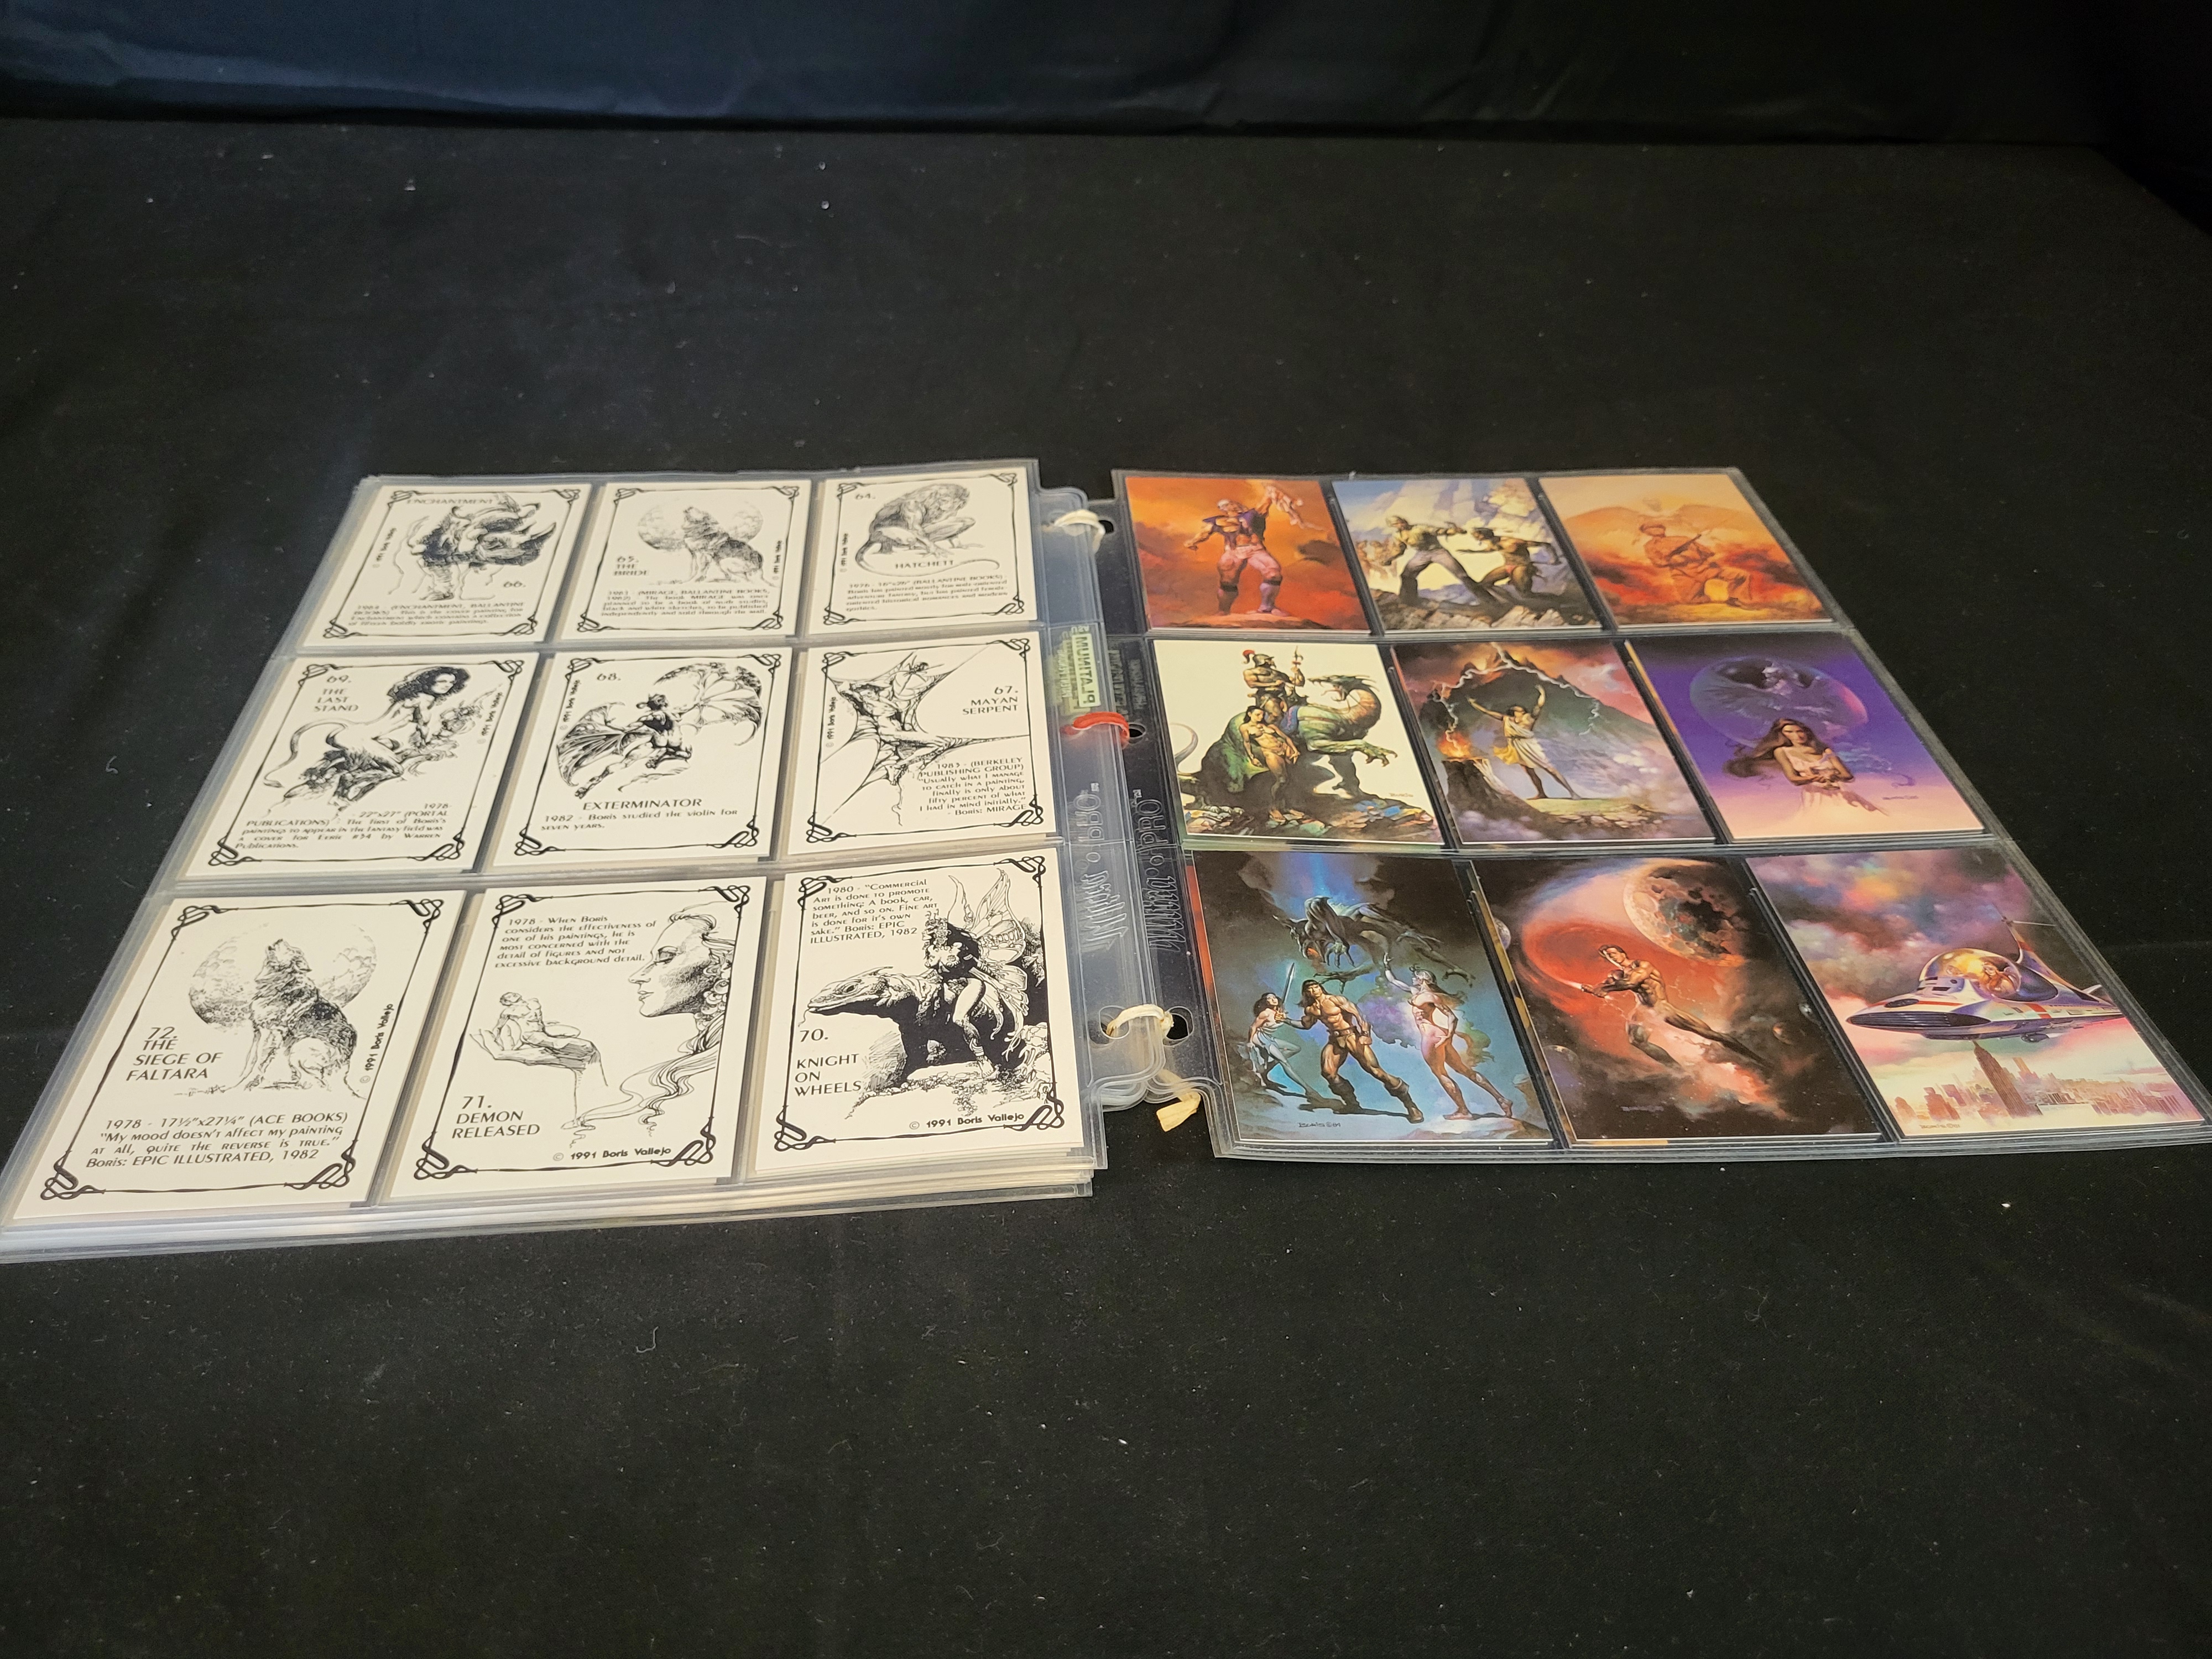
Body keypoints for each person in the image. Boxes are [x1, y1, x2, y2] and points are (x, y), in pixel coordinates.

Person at [1575, 945, 1768, 1074]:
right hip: (1643, 1010)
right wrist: (1595, 988)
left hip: (1661, 1007)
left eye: (1613, 953)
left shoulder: (1641, 965)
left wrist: (1605, 989)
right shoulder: (1617, 974)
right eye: (1607, 956)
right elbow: (1607, 984)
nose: (1611, 957)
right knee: (1636, 1040)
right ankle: (1679, 1071)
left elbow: (1631, 982)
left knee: (1709, 1034)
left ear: (1622, 953)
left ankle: (1757, 1059)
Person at [1292, 979, 1422, 1121]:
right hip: (1335, 1040)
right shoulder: (1311, 1009)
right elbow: (1306, 1025)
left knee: (1376, 1071)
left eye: (1316, 987)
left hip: (1352, 1036)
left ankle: (1411, 1106)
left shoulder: (1336, 1000)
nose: (1314, 991)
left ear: (1320, 987)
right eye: (1310, 989)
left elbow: (1359, 1015)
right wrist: (1285, 1020)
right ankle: (1352, 1104)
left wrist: (1365, 1034)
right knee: (1328, 1073)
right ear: (1307, 993)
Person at [1403, 969, 1513, 1119]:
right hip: (1439, 1034)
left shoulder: (1430, 996)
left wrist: (1449, 1036)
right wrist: (1387, 967)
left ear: (1422, 979)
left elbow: (1452, 1018)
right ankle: (1502, 1100)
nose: (1413, 978)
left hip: (1431, 1037)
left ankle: (1464, 1111)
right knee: (1464, 1069)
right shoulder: (1419, 994)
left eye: (1416, 976)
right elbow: (1395, 982)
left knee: (1441, 1073)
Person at [1463, 684, 1578, 799]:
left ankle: (1573, 793)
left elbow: (1539, 706)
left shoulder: (1530, 718)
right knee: (1530, 771)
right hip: (1516, 747)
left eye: (1521, 710)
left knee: (1550, 769)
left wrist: (1542, 694)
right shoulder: (1508, 720)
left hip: (1529, 746)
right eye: (1518, 710)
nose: (1521, 710)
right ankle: (1541, 793)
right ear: (1514, 712)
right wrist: (1474, 704)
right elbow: (1487, 712)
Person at [1378, 514, 1483, 608]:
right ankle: (1410, 601)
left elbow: (1437, 531)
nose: (1401, 524)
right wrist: (1390, 559)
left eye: (1401, 522)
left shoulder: (1419, 528)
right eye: (1397, 524)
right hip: (1422, 554)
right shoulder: (1398, 536)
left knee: (1462, 575)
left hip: (1438, 552)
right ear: (1393, 526)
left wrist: (1452, 531)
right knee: (1406, 575)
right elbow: (1401, 550)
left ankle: (1488, 601)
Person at [1245, 992, 1300, 1095]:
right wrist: (1250, 1042)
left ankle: (1268, 1067)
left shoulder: (1281, 1013)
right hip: (1259, 1036)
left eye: (1274, 997)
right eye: (1269, 999)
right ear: (1266, 1003)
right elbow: (1253, 1027)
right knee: (1284, 1062)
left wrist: (1284, 1019)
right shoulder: (1265, 1013)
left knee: (1296, 1049)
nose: (1273, 1000)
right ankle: (1309, 1090)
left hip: (1269, 1037)